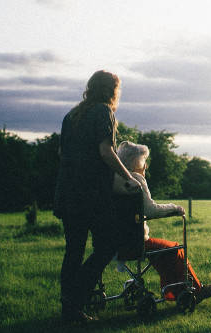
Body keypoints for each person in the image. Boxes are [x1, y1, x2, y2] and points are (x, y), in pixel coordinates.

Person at [53, 70, 140, 323]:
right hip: (90, 195)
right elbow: (106, 151)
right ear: (112, 90)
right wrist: (128, 177)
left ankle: (69, 309)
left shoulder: (72, 115)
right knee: (107, 246)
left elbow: (62, 152)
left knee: (74, 251)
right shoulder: (104, 112)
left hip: (67, 192)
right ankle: (76, 297)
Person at [112, 141, 211, 302]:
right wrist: (175, 208)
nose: (145, 166)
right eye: (144, 161)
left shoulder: (113, 180)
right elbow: (151, 210)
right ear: (136, 162)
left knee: (163, 250)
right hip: (135, 241)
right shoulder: (136, 179)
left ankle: (175, 291)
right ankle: (194, 290)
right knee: (174, 248)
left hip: (114, 242)